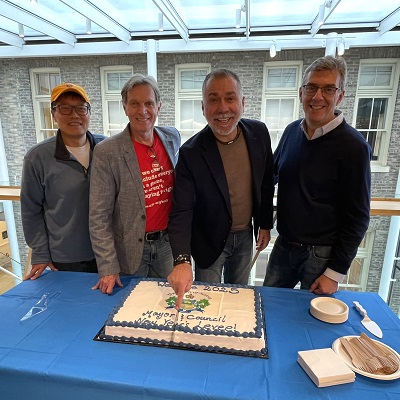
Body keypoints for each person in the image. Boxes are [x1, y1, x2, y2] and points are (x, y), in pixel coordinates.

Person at [263, 56, 371, 295]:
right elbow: (269, 178)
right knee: (267, 307)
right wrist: (262, 223)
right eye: (311, 87)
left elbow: (359, 218)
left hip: (322, 256)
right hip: (284, 246)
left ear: (340, 95)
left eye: (328, 89)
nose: (317, 96)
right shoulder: (292, 132)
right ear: (302, 92)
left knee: (312, 320)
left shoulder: (355, 147)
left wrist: (334, 273)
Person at [167, 68, 274, 307]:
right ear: (203, 107)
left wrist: (265, 223)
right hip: (208, 241)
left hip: (247, 237)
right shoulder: (190, 153)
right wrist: (182, 260)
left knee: (240, 299)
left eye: (230, 98)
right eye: (213, 99)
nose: (223, 108)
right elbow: (181, 210)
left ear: (242, 102)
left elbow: (266, 180)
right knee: (208, 301)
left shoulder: (259, 133)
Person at [89, 74, 181, 295]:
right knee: (130, 311)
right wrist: (108, 266)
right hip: (129, 251)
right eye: (135, 103)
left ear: (158, 106)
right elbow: (98, 216)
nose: (143, 111)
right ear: (125, 107)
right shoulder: (107, 152)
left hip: (167, 246)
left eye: (149, 103)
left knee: (167, 306)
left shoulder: (172, 137)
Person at [21, 82, 106, 280]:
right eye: (65, 108)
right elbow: (30, 210)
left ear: (89, 112)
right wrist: (40, 252)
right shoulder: (38, 157)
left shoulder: (106, 148)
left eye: (80, 108)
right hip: (66, 259)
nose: (74, 115)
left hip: (108, 253)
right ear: (53, 114)